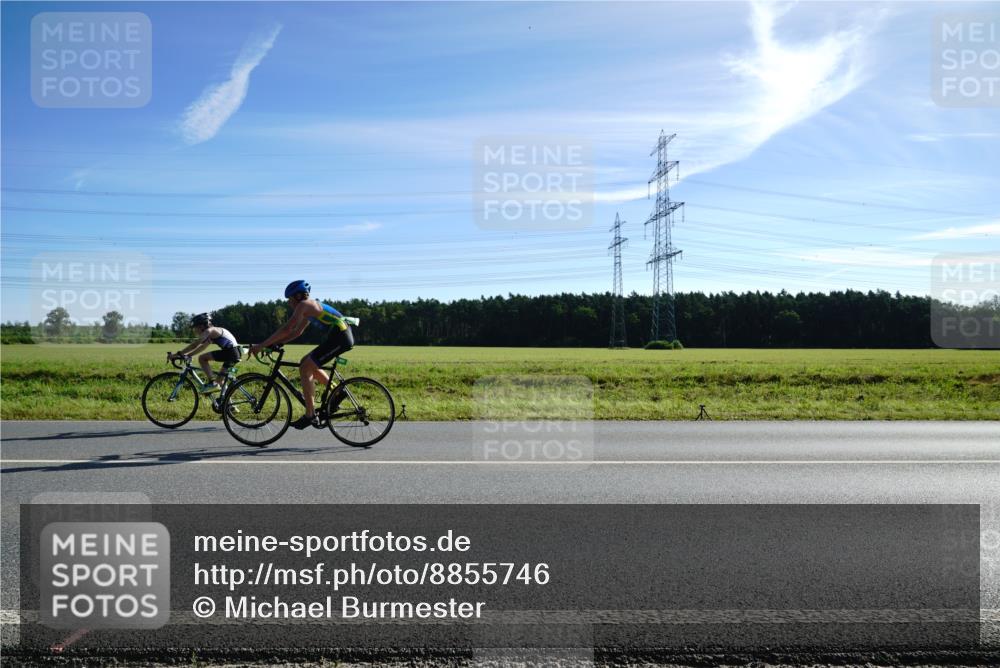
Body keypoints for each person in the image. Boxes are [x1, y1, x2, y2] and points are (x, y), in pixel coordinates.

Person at [249, 280, 354, 429]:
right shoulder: (308, 307)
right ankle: (337, 392)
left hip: (340, 337)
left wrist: (261, 345)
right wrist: (278, 343)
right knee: (306, 362)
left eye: (290, 298)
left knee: (305, 367)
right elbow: (297, 331)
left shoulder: (304, 306)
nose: (288, 302)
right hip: (339, 336)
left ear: (298, 296)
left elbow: (287, 328)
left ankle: (310, 415)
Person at [169, 313, 242, 394]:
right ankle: (227, 404)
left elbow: (195, 344)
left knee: (202, 358)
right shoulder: (213, 331)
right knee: (220, 381)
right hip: (234, 354)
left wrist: (178, 354)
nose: (195, 331)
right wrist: (189, 355)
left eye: (195, 328)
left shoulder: (210, 331)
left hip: (230, 353)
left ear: (201, 326)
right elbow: (202, 347)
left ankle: (212, 382)